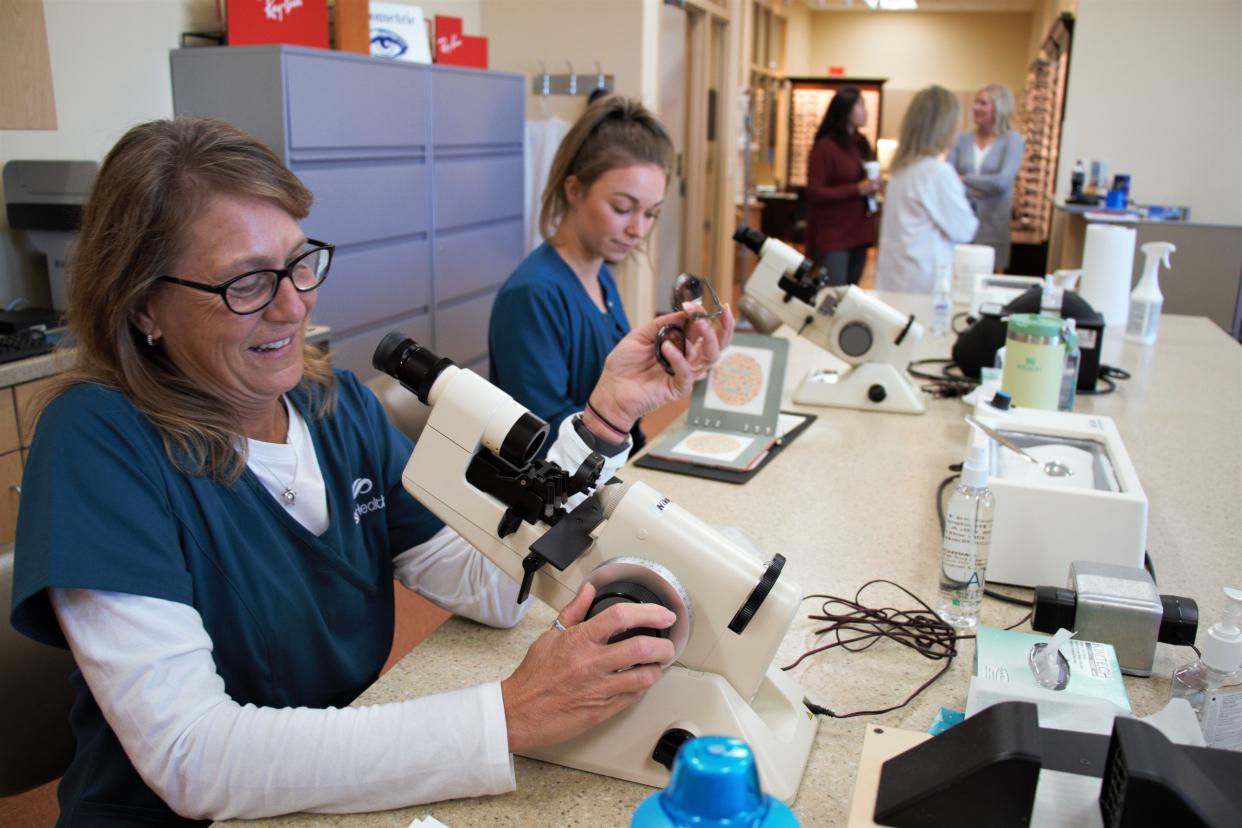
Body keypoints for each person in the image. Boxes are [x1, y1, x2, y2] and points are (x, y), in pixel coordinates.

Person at [8, 117, 733, 825]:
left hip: (322, 799)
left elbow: (492, 586)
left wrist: (603, 421)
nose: (294, 306)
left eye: (299, 263)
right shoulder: (97, 443)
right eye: (246, 284)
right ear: (144, 307)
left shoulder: (336, 409)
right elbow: (193, 757)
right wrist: (506, 716)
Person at [490, 96, 685, 453]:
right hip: (559, 496)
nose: (638, 230)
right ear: (575, 190)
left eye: (651, 213)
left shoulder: (600, 276)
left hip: (607, 470)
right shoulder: (534, 295)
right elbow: (542, 438)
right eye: (622, 208)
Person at [875, 85, 980, 294]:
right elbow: (965, 229)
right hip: (922, 285)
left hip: (894, 280)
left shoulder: (901, 171)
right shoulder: (937, 173)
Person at [804, 87, 879, 286]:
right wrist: (856, 189)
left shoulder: (861, 144)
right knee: (831, 294)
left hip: (860, 232)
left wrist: (872, 185)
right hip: (834, 234)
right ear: (846, 110)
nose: (866, 111)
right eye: (861, 106)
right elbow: (815, 192)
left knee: (849, 295)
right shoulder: (825, 148)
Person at [946, 84, 1025, 271]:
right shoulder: (961, 140)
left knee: (991, 280)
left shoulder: (1013, 141)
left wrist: (964, 179)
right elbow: (948, 178)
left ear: (999, 107)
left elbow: (1002, 182)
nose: (975, 108)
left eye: (983, 103)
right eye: (976, 102)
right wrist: (983, 190)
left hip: (994, 228)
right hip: (961, 224)